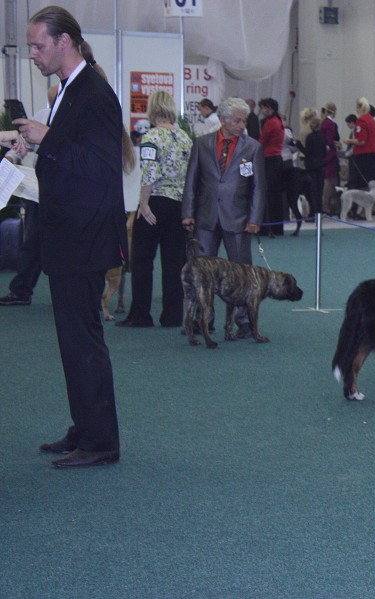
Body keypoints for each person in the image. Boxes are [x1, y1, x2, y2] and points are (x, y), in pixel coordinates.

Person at [13, 5, 127, 467]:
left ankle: (101, 442)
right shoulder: (71, 90)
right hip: (69, 236)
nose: (33, 55)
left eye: (39, 45)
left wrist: (48, 138)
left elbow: (100, 168)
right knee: (73, 340)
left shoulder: (93, 92)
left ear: (65, 42)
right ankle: (86, 428)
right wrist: (30, 141)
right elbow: (72, 155)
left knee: (83, 341)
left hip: (84, 237)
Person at [182, 96, 266, 334]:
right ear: (223, 120)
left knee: (242, 273)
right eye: (238, 121)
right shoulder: (201, 144)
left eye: (244, 121)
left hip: (239, 219)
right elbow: (191, 181)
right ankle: (202, 320)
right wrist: (187, 212)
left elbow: (259, 187)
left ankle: (244, 322)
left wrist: (254, 219)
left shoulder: (253, 147)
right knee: (202, 273)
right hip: (205, 217)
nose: (242, 126)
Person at [117, 90, 192, 328]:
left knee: (142, 261)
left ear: (153, 110)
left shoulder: (152, 137)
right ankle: (172, 316)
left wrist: (144, 204)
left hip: (155, 203)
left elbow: (150, 173)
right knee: (174, 264)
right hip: (179, 205)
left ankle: (140, 315)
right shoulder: (185, 138)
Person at [0, 85, 57, 306]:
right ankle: (21, 290)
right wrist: (11, 158)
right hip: (37, 192)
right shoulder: (41, 117)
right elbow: (20, 144)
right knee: (32, 241)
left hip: (63, 193)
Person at [257, 98, 285, 236]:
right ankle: (275, 228)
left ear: (271, 108)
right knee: (274, 195)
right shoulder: (278, 121)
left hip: (269, 160)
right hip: (276, 159)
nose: (262, 110)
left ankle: (268, 228)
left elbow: (261, 142)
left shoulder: (270, 123)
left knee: (268, 195)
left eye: (264, 107)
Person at [344, 97, 375, 190]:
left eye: (357, 107)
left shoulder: (361, 120)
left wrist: (349, 140)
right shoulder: (372, 120)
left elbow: (361, 141)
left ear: (360, 108)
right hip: (374, 154)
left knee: (362, 182)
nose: (356, 109)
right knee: (372, 182)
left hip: (364, 155)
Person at [319, 102, 341, 215]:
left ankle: (330, 204)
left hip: (324, 155)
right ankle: (326, 205)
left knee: (332, 181)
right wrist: (335, 144)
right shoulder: (331, 124)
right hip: (330, 155)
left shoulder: (322, 123)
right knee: (329, 181)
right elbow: (329, 140)